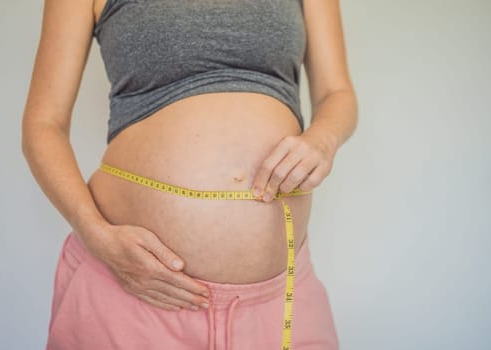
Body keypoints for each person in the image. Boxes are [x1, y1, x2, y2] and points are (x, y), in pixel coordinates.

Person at [22, 0, 358, 349]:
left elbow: (337, 93)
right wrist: (94, 233)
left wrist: (323, 139)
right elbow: (43, 125)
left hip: (278, 300)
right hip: (131, 291)